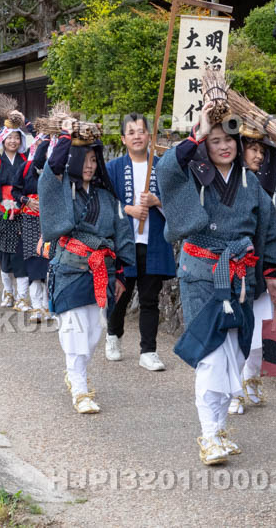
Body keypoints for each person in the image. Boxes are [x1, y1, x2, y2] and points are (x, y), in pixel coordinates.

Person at [156, 101, 276, 465]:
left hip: (240, 275)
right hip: (201, 273)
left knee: (234, 355)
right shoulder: (194, 178)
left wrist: (272, 274)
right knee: (212, 355)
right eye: (214, 141)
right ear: (203, 146)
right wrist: (193, 134)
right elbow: (165, 170)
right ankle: (209, 435)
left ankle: (219, 427)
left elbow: (270, 229)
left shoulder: (250, 183)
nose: (224, 146)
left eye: (229, 139)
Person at [39, 122, 135, 414]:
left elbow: (122, 233)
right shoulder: (60, 190)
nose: (91, 166)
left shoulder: (106, 197)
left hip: (102, 271)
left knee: (94, 331)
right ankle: (80, 387)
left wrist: (121, 273)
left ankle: (75, 372)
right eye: (86, 159)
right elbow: (51, 168)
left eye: (95, 159)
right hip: (69, 270)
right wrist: (67, 135)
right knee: (74, 328)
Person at [230, 126, 276, 413]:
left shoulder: (269, 184)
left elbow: (271, 233)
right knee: (234, 334)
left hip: (258, 270)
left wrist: (272, 271)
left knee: (259, 334)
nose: (258, 155)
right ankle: (231, 389)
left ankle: (251, 378)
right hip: (232, 270)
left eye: (262, 151)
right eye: (252, 149)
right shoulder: (229, 183)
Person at [104, 113, 176, 371]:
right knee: (120, 294)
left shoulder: (162, 167)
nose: (137, 136)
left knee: (149, 298)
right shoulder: (113, 168)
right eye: (131, 132)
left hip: (153, 241)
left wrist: (158, 202)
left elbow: (178, 202)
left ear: (149, 136)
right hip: (124, 243)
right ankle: (113, 334)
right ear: (123, 138)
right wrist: (127, 210)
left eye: (141, 131)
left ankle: (149, 350)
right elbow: (104, 204)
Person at [0, 107, 32, 310]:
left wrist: (25, 121)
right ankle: (8, 292)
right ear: (3, 140)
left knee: (21, 255)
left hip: (24, 213)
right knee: (4, 255)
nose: (13, 141)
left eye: (17, 138)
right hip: (3, 214)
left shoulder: (27, 162)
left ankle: (22, 297)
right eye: (9, 137)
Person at [15, 126, 52, 320]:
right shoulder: (25, 167)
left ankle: (49, 306)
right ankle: (37, 305)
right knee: (33, 259)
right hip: (30, 219)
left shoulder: (55, 168)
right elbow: (15, 191)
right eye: (38, 143)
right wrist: (26, 201)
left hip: (50, 220)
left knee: (49, 261)